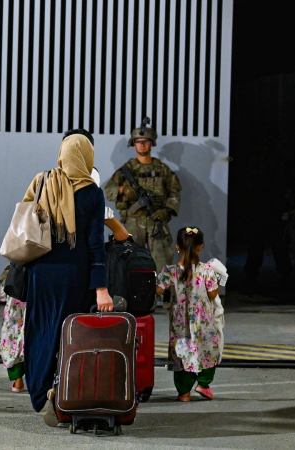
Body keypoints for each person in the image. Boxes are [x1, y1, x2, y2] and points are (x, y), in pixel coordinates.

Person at [20, 134, 113, 424]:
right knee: (71, 335)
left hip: (40, 274)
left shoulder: (43, 181)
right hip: (74, 276)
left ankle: (40, 392)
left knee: (40, 329)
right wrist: (101, 288)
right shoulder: (91, 192)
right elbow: (96, 245)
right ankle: (66, 391)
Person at [104, 117, 181, 276]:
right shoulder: (126, 169)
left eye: (146, 141)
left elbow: (174, 191)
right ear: (134, 144)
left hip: (156, 221)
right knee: (128, 261)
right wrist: (123, 190)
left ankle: (162, 292)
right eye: (138, 141)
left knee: (163, 264)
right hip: (133, 221)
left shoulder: (162, 169)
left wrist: (166, 210)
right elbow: (109, 190)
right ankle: (130, 291)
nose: (142, 144)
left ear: (152, 143)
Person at [156, 227, 224, 402]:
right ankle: (203, 384)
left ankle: (184, 393)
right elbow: (213, 294)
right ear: (200, 247)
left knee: (182, 355)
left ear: (177, 246)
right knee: (208, 351)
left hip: (180, 326)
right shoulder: (207, 270)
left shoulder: (169, 271)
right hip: (204, 324)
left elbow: (158, 290)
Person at [0, 266, 26, 393]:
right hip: (41, 279)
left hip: (17, 288)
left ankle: (17, 379)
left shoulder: (13, 268)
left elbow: (0, 290)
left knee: (13, 336)